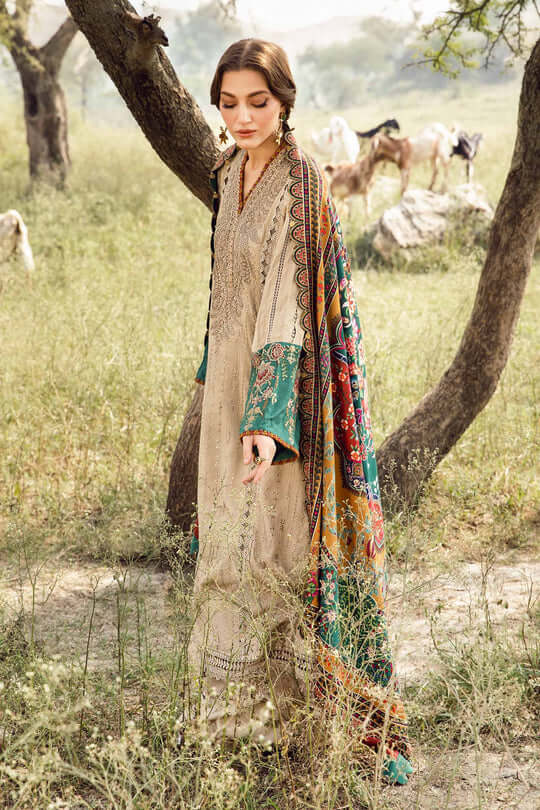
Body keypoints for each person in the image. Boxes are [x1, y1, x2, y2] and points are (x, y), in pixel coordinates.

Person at [186, 38, 412, 785]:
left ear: (284, 102)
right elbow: (223, 283)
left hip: (282, 401)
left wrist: (267, 417)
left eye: (258, 101)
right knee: (224, 544)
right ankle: (225, 720)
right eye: (229, 103)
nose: (242, 116)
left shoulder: (301, 182)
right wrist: (214, 383)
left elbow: (287, 301)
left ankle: (290, 722)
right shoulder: (226, 172)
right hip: (226, 384)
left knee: (275, 547)